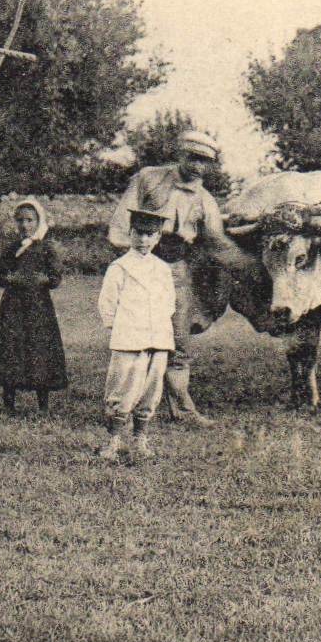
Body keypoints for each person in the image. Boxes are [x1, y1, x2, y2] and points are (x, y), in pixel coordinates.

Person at [108, 127, 226, 426]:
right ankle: (125, 405)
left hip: (176, 271)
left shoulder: (205, 200)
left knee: (178, 339)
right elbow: (120, 224)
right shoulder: (149, 178)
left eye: (204, 161)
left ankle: (182, 409)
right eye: (193, 158)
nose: (198, 166)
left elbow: (218, 243)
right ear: (180, 154)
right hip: (142, 267)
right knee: (136, 338)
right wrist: (135, 258)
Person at [97, 208, 178, 462]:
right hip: (129, 337)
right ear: (130, 234)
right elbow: (107, 302)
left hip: (157, 336)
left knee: (151, 388)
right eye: (139, 234)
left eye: (150, 235)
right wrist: (119, 328)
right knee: (124, 387)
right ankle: (114, 441)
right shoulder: (119, 267)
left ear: (157, 238)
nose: (143, 240)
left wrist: (158, 324)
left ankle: (140, 439)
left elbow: (169, 302)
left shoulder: (163, 268)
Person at [0, 199, 68, 415]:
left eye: (30, 220)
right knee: (11, 349)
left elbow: (56, 277)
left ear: (38, 221)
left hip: (39, 307)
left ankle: (43, 405)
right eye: (20, 220)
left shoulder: (46, 248)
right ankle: (9, 403)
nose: (25, 225)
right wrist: (10, 278)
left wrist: (44, 279)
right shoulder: (11, 248)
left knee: (39, 350)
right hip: (13, 307)